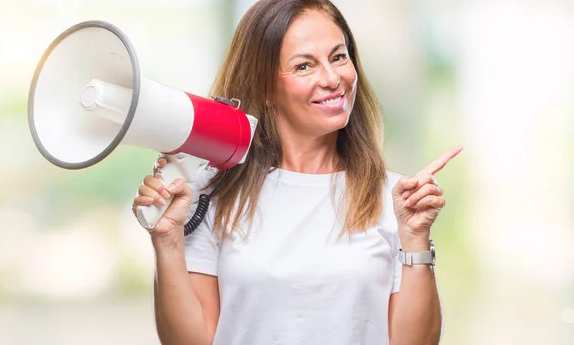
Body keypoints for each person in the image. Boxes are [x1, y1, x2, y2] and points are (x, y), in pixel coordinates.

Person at [131, 0, 462, 344]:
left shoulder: (396, 201)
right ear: (265, 88)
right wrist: (167, 243)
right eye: (305, 66)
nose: (333, 79)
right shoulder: (213, 196)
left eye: (338, 57)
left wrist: (415, 237)